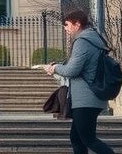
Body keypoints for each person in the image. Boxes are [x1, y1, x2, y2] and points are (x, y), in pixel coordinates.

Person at [45, 11, 116, 154]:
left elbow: (72, 71)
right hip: (90, 97)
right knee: (76, 139)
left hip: (86, 99)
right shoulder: (93, 38)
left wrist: (55, 68)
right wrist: (59, 65)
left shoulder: (82, 41)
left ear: (77, 24)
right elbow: (82, 66)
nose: (65, 28)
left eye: (67, 24)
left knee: (88, 139)